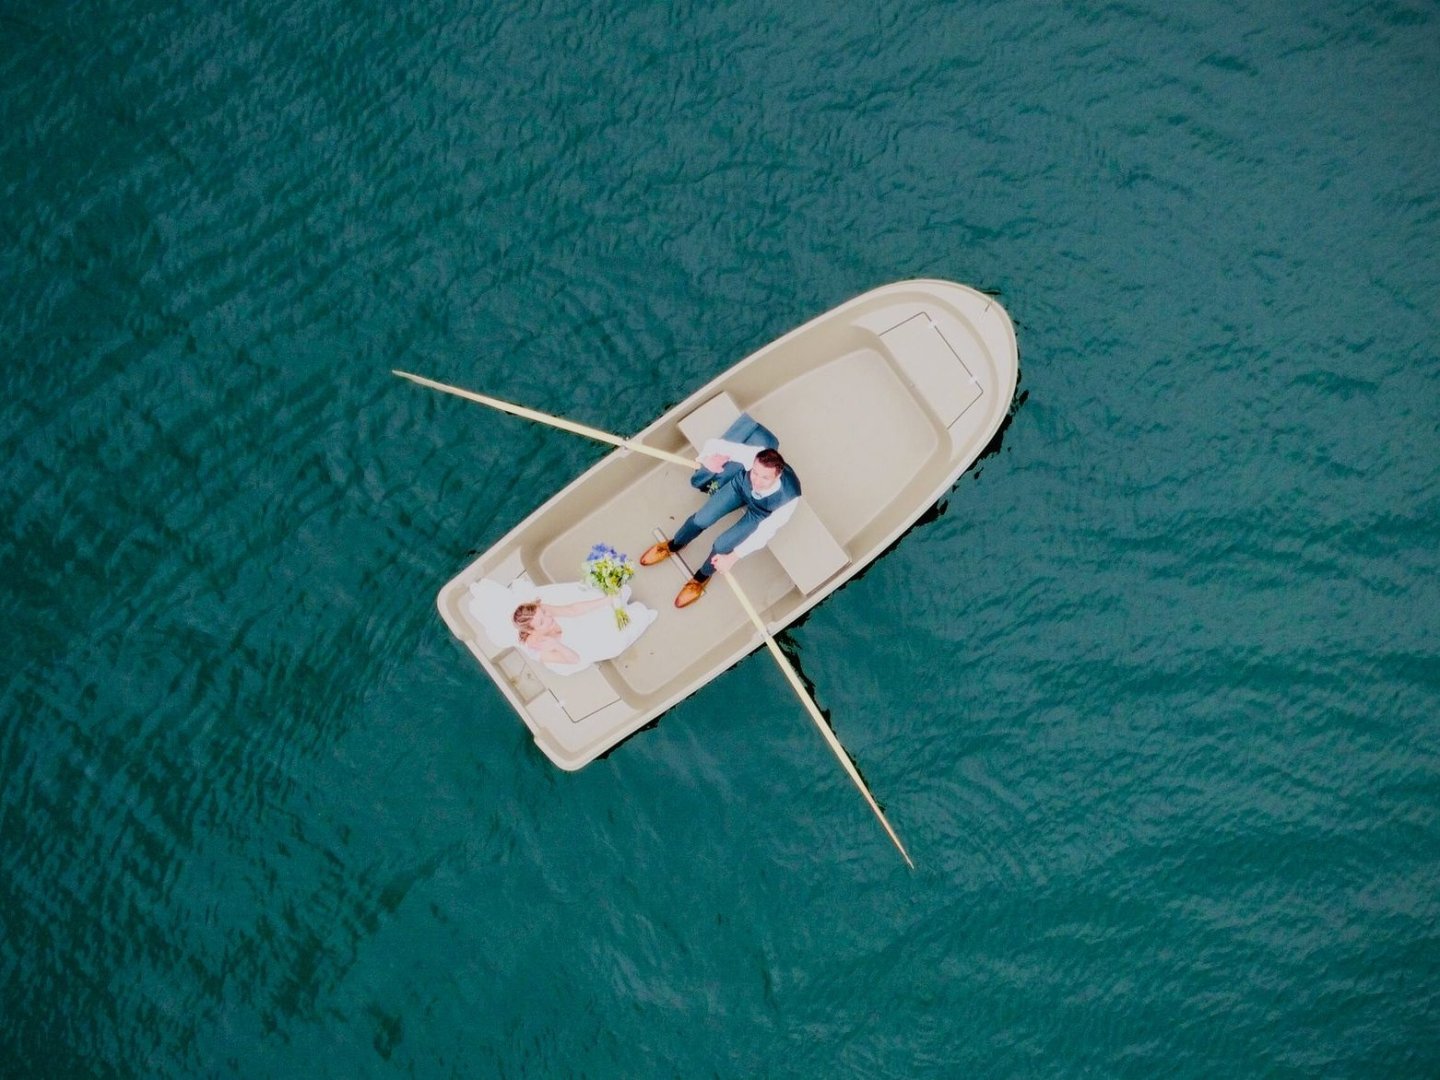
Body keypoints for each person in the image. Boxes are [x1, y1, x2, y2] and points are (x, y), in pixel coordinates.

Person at [639, 417, 802, 608]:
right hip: (739, 487)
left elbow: (763, 534)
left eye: (765, 477)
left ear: (778, 475)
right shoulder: (754, 455)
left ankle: (700, 578)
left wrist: (732, 558)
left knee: (722, 545)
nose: (757, 480)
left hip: (760, 512)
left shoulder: (789, 498)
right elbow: (716, 445)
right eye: (755, 473)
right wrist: (707, 459)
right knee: (701, 519)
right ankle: (673, 545)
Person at [510, 588, 657, 673]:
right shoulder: (541, 651)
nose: (549, 618)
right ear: (532, 631)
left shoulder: (543, 612)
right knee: (615, 643)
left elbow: (572, 610)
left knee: (602, 608)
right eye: (542, 622)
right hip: (572, 651)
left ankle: (617, 604)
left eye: (544, 613)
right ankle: (642, 617)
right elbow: (575, 659)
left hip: (573, 627)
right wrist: (556, 645)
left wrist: (606, 600)